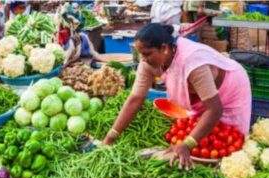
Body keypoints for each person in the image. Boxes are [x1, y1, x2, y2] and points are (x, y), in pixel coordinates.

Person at [103, 23, 251, 168]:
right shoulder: (148, 63)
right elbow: (135, 99)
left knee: (230, 142)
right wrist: (111, 136)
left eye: (147, 54)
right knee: (202, 137)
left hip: (230, 88)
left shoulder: (192, 61)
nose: (143, 59)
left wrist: (188, 144)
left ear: (164, 48)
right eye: (140, 54)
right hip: (202, 97)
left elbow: (214, 109)